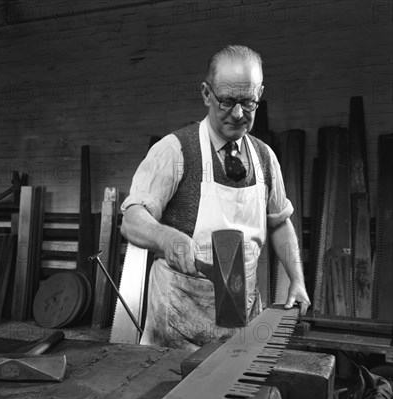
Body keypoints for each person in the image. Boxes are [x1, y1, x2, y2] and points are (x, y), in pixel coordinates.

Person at [121, 44, 311, 350]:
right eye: (227, 101)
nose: (238, 114)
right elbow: (132, 219)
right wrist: (166, 238)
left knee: (238, 393)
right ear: (207, 94)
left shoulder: (265, 158)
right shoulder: (175, 151)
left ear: (259, 95)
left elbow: (278, 224)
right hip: (178, 322)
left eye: (248, 103)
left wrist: (297, 281)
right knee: (170, 394)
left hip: (241, 318)